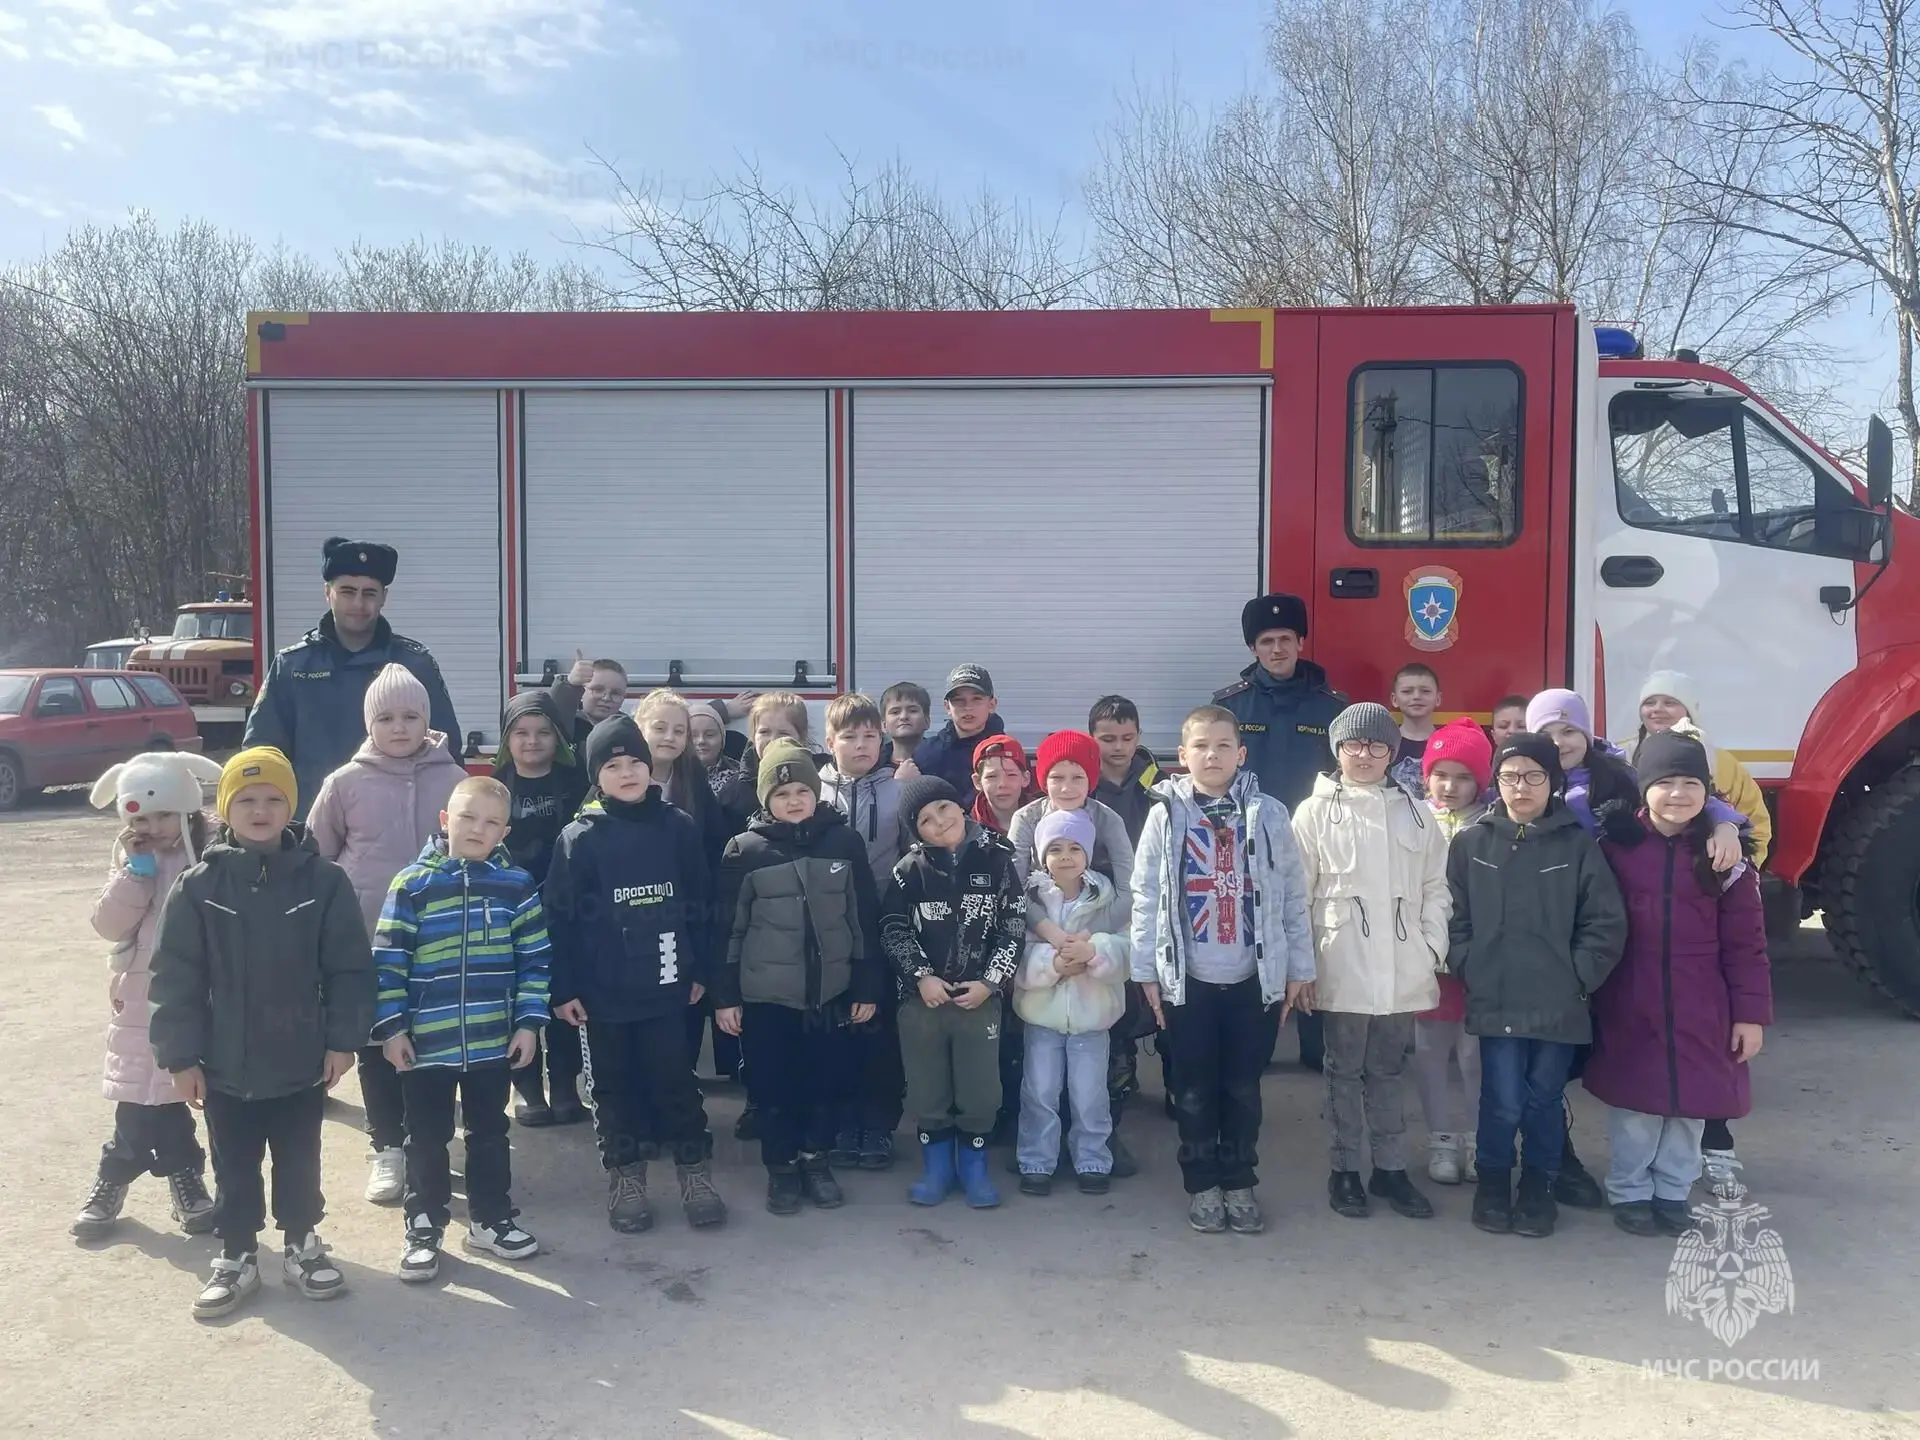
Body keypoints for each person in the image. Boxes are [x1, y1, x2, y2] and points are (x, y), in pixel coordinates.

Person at [148, 747, 375, 1320]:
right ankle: (237, 1253)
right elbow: (175, 976)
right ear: (225, 810)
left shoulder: (324, 883)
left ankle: (302, 1245)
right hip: (225, 1064)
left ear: (290, 807)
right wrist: (181, 1056)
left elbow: (350, 966)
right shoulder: (199, 887)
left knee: (300, 1156)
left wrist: (342, 1040)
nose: (260, 809)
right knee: (234, 1162)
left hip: (301, 1057)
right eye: (246, 799)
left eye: (274, 799)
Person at [1524, 686, 1747, 1208]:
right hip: (1548, 946)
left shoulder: (1616, 780)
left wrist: (1726, 824)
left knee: (1645, 1067)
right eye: (1547, 733)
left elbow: (1679, 792)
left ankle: (1678, 1172)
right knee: (1551, 1070)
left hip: (1614, 951)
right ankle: (1557, 1159)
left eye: (1568, 730)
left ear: (1586, 732)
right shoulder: (1520, 781)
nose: (1559, 742)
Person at [1130, 706, 1313, 1236]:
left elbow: (1292, 896)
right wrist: (1147, 971)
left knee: (1242, 1088)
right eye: (1201, 746)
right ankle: (1202, 1184)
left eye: (1223, 745)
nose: (1212, 755)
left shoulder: (1270, 813)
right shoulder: (1165, 814)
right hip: (1188, 981)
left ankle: (1239, 1180)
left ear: (1241, 753)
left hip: (1252, 979)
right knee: (1192, 1088)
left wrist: (1298, 966)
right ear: (1182, 757)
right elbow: (1146, 895)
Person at [543, 716, 728, 1233]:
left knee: (676, 1082)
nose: (626, 773)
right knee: (613, 1089)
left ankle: (695, 1171)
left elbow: (701, 904)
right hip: (603, 998)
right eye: (613, 765)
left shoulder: (677, 828)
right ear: (596, 776)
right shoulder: (579, 838)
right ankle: (626, 1177)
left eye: (635, 763)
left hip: (670, 989)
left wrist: (699, 970)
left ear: (651, 769)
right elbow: (558, 919)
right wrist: (565, 988)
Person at [1589, 730, 1773, 1235]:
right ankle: (1629, 1191)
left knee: (1691, 1105)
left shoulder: (1724, 858)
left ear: (1707, 791)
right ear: (1643, 788)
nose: (1678, 793)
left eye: (1690, 782)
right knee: (1636, 1106)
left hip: (1704, 1002)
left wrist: (1750, 1014)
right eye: (1665, 782)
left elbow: (1747, 944)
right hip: (1632, 995)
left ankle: (1672, 1190)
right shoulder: (1615, 849)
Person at [1446, 733, 1627, 1239]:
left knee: (1544, 1098)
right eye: (1509, 777)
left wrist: (1578, 975)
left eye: (1533, 776)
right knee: (1501, 1099)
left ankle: (1539, 1187)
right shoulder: (1472, 844)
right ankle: (1493, 1184)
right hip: (1496, 994)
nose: (1520, 787)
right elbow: (1452, 916)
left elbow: (1605, 923)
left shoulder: (1577, 845)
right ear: (1495, 782)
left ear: (1553, 781)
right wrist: (1469, 963)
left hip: (1557, 1001)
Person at [373, 776, 551, 1281]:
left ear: (505, 832)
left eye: (491, 822)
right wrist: (392, 1029)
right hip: (427, 1043)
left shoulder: (516, 887)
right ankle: (423, 1226)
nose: (478, 829)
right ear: (446, 821)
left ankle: (491, 1221)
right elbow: (388, 962)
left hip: (494, 1040)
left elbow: (535, 961)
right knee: (426, 1137)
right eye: (468, 818)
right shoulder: (412, 885)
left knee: (490, 1132)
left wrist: (528, 1025)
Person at [305, 663, 467, 1207]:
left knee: (433, 1042)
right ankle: (387, 1148)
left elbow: (478, 849)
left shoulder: (455, 781)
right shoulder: (343, 784)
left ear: (428, 719)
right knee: (377, 1046)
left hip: (441, 943)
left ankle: (432, 1141)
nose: (400, 728)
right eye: (387, 718)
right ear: (369, 723)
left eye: (411, 716)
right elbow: (318, 859)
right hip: (370, 943)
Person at [1291, 703, 1451, 1222]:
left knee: (1388, 1070)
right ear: (1337, 750)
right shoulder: (1313, 812)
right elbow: (1298, 895)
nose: (1364, 755)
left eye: (1376, 746)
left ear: (1393, 752)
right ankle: (1344, 1170)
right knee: (1342, 1071)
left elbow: (1435, 887)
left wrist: (1431, 948)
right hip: (1342, 961)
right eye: (1353, 745)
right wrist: (1305, 966)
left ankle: (1390, 1169)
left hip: (1402, 963)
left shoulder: (1415, 810)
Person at [712, 741, 884, 1215]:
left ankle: (816, 1159)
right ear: (765, 798)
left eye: (802, 789)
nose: (793, 799)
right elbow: (728, 928)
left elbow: (862, 920)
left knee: (824, 1082)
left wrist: (866, 985)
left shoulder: (843, 842)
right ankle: (782, 1168)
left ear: (816, 791)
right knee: (773, 1087)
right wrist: (726, 996)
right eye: (781, 791)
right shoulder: (745, 850)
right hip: (768, 1000)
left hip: (829, 995)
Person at [1627, 671, 1774, 1190]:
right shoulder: (1622, 757)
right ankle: (1636, 1185)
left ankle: (1715, 1149)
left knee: (1707, 1065)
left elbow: (1747, 815)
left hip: (1702, 923)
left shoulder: (1714, 757)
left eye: (1671, 702)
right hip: (1642, 972)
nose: (1659, 710)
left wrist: (1730, 834)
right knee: (1642, 1080)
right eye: (1651, 702)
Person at [71, 750, 225, 1241]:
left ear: (186, 807)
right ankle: (141, 1178)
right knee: (140, 1097)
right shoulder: (133, 859)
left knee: (177, 1093)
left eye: (164, 814)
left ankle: (156, 1176)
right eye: (143, 815)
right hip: (139, 992)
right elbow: (108, 925)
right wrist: (136, 873)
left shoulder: (213, 855)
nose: (155, 826)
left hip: (197, 993)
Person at [1213, 593, 1345, 1072]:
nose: (1276, 649)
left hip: (1315, 843)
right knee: (1252, 934)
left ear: (1301, 642)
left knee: (1310, 934)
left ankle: (1315, 1041)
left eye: (1285, 639)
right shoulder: (1230, 705)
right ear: (1254, 649)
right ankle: (1256, 1040)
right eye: (1266, 641)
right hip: (1248, 839)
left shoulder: (1332, 707)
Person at [883, 776, 1026, 1210]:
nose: (939, 822)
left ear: (961, 807)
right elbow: (893, 928)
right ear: (916, 831)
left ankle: (975, 1169)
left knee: (980, 1090)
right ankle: (937, 1169)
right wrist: (920, 976)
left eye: (944, 808)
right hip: (921, 1003)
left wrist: (990, 982)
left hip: (978, 1002)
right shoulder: (909, 871)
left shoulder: (998, 861)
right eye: (925, 820)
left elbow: (1013, 927)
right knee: (928, 1089)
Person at [245, 536, 460, 818]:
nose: (358, 603)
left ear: (384, 597)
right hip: (309, 836)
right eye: (347, 591)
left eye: (369, 593)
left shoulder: (415, 665)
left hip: (398, 833)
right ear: (327, 592)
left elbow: (446, 753)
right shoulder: (292, 667)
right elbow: (262, 754)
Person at [1014, 810, 1128, 1196]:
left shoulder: (1107, 899)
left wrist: (1094, 953)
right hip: (1041, 1019)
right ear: (1041, 855)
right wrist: (1053, 963)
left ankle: (1093, 1158)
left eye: (1075, 847)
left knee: (1090, 1092)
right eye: (1056, 848)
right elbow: (1017, 953)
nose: (1065, 856)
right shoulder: (1030, 902)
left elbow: (1127, 951)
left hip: (1092, 1019)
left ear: (1089, 853)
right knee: (1040, 1091)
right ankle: (1036, 1160)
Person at [635, 689, 743, 1091]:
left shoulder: (691, 777)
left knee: (686, 995)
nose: (669, 737)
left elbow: (713, 840)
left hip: (685, 909)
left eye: (678, 730)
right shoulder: (621, 773)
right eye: (659, 727)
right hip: (636, 911)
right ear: (639, 728)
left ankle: (680, 1081)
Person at [818, 693, 907, 1171]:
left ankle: (878, 1124)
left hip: (882, 927)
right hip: (828, 933)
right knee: (834, 1030)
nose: (860, 745)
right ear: (829, 741)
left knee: (878, 1031)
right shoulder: (812, 792)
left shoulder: (901, 791)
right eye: (849, 736)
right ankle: (840, 1123)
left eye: (870, 736)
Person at [493, 690, 589, 1127]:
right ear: (506, 740)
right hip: (512, 910)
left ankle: (566, 1085)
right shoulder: (497, 790)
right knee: (519, 1003)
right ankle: (528, 1089)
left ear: (559, 739)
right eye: (521, 733)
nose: (532, 742)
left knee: (564, 998)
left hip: (569, 910)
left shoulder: (576, 784)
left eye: (543, 733)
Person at [1412, 717, 1493, 1185]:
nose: (1451, 786)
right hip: (1428, 962)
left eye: (1464, 776)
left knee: (1473, 1057)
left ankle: (1479, 1140)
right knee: (1429, 1053)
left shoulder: (1493, 824)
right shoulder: (1414, 819)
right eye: (1442, 774)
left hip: (1477, 960)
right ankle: (1442, 1140)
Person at [912, 665, 1010, 805]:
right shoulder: (927, 753)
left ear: (992, 704)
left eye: (976, 699)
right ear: (947, 707)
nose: (967, 707)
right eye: (959, 700)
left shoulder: (1007, 752)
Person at [1089, 695, 1160, 847]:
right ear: (1091, 738)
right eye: (1108, 740)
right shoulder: (1081, 784)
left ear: (1138, 736)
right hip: (1091, 870)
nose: (1118, 747)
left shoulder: (1157, 782)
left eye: (1127, 738)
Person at [550, 651, 632, 749]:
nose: (606, 698)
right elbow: (554, 721)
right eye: (598, 690)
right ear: (581, 691)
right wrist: (569, 684)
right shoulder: (571, 725)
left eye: (615, 693)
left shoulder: (630, 731)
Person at [1386, 664, 1442, 794]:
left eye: (1425, 691)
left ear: (1438, 699)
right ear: (1394, 700)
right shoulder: (1384, 745)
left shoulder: (1450, 744)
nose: (1416, 696)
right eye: (1407, 691)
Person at [971, 733, 1037, 835]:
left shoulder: (1044, 821)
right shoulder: (966, 830)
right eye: (991, 776)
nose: (1002, 784)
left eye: (1011, 775)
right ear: (977, 781)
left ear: (1025, 778)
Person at [882, 682, 933, 772]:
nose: (903, 717)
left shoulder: (943, 763)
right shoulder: (872, 766)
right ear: (884, 725)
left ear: (927, 721)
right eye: (895, 712)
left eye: (913, 711)